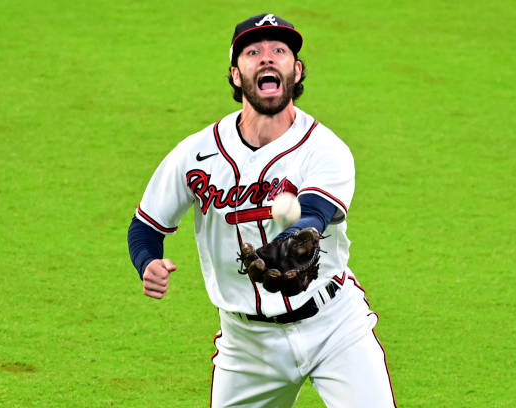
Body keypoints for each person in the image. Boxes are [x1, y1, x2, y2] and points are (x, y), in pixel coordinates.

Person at [128, 13, 397, 407]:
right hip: (246, 347)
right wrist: (148, 262)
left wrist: (290, 241)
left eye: (279, 50)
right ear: (236, 75)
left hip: (334, 327)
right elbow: (145, 227)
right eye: (253, 52)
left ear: (297, 70)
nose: (267, 58)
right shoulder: (195, 154)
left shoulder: (325, 148)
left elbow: (315, 214)